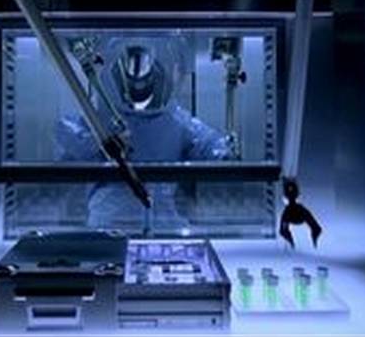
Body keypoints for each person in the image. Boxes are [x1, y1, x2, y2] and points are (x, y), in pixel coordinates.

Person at [55, 41, 234, 231]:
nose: (139, 91)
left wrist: (225, 150)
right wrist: (101, 143)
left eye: (144, 83)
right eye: (133, 84)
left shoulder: (174, 119)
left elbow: (210, 146)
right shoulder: (99, 118)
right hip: (110, 220)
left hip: (162, 220)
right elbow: (66, 132)